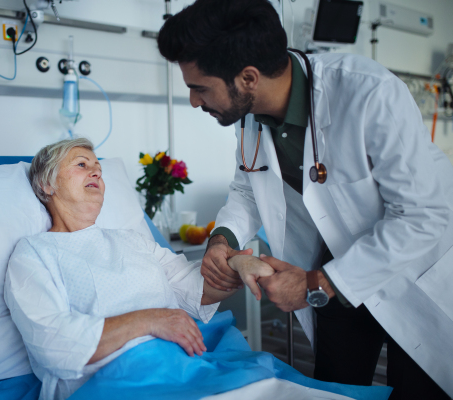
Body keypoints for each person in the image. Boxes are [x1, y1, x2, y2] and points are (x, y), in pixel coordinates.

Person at [157, 0, 453, 398]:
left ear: (248, 77)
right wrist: (223, 238)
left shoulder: (368, 93)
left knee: (417, 390)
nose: (195, 101)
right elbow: (248, 185)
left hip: (412, 266)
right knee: (334, 389)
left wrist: (318, 282)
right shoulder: (250, 115)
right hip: (331, 270)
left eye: (199, 88)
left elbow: (422, 216)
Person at [3, 138, 274, 400]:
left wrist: (236, 263)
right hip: (113, 383)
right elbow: (53, 344)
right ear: (46, 184)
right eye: (82, 165)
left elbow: (198, 289)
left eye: (98, 167)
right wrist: (150, 320)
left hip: (185, 368)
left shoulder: (131, 240)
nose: (96, 171)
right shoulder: (34, 253)